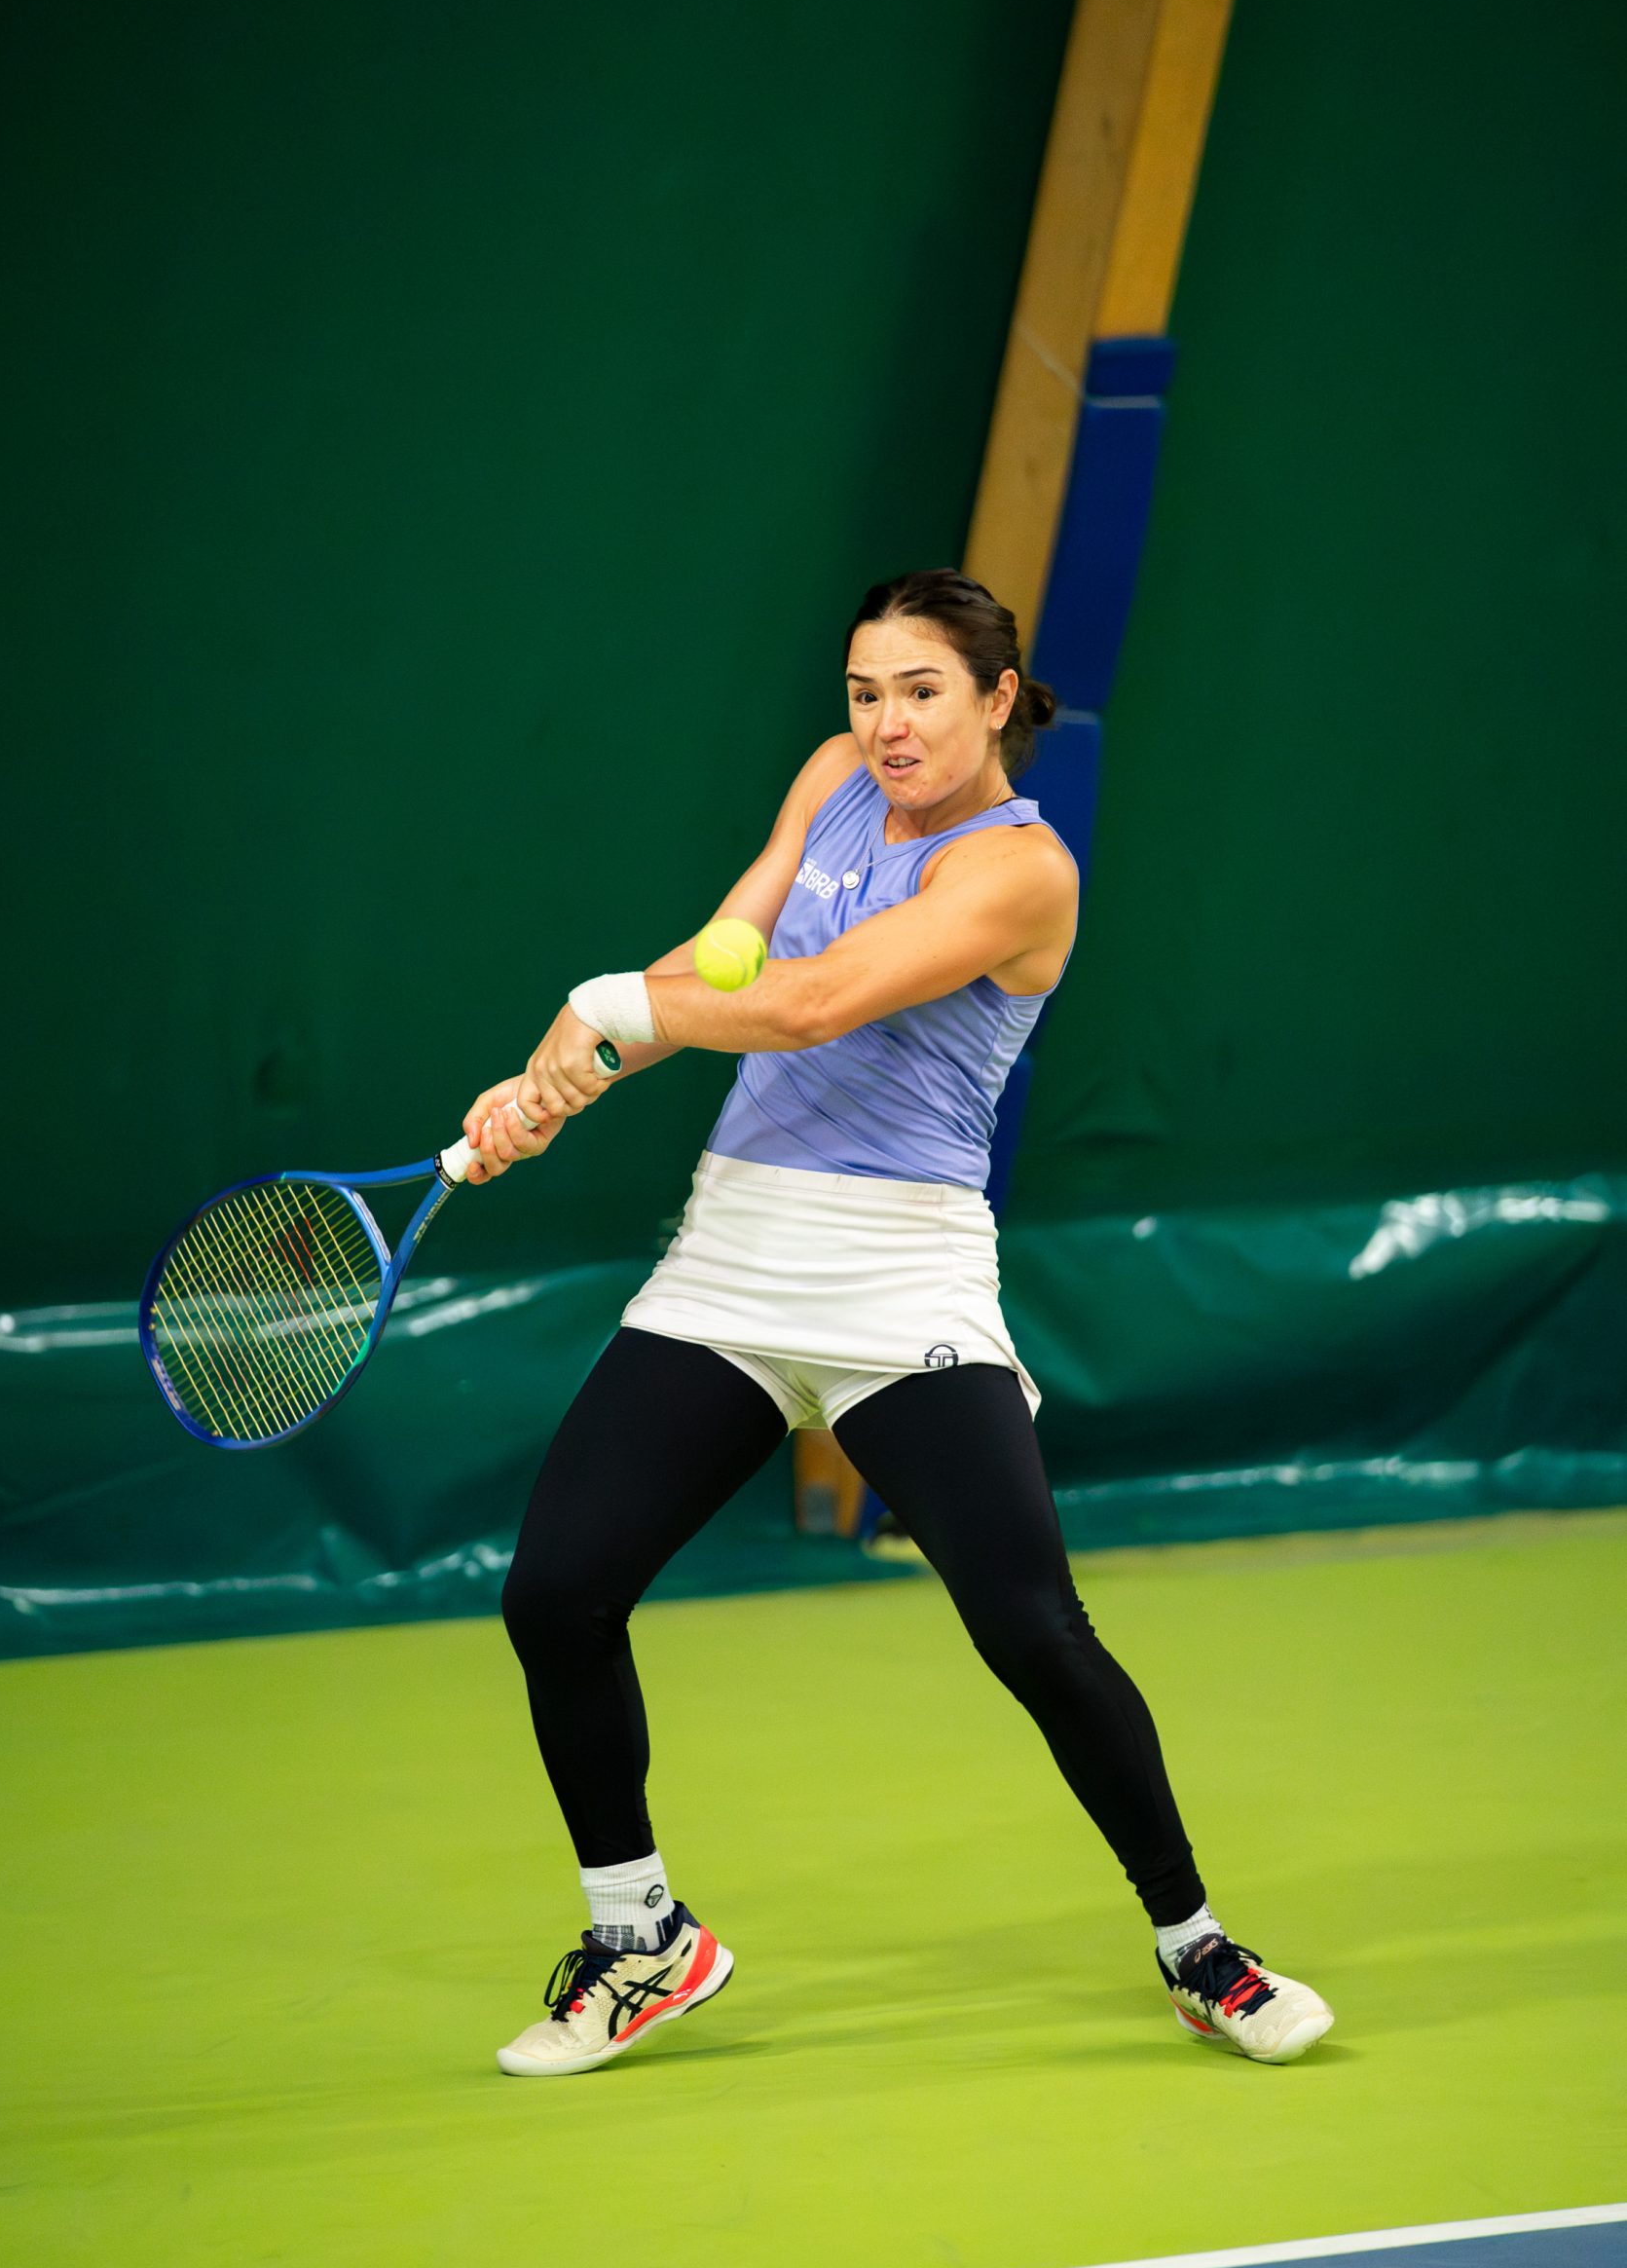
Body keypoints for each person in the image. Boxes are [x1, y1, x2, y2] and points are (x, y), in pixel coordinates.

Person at [461, 568, 1333, 2079]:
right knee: (556, 1594)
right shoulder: (833, 784)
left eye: (921, 692)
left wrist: (610, 1006)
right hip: (733, 1255)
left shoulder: (1022, 872)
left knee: (1030, 1629)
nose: (887, 725)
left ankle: (1196, 1946)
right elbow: (715, 957)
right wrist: (553, 1077)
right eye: (865, 693)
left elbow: (810, 1003)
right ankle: (641, 1938)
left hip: (897, 1276)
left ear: (995, 699)